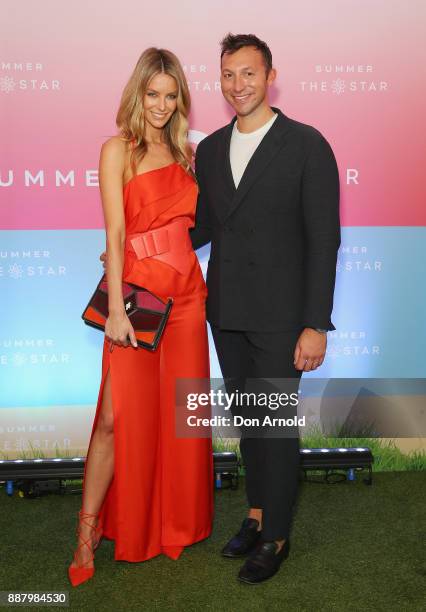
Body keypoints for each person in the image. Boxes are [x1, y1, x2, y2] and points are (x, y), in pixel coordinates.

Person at [189, 33, 340, 584]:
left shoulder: (305, 144)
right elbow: (202, 226)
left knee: (274, 427)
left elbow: (325, 240)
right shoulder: (208, 149)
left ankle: (276, 535)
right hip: (227, 312)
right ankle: (255, 515)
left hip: (283, 317)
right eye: (229, 75)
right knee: (250, 423)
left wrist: (315, 324)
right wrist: (143, 243)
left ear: (269, 74)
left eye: (248, 73)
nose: (238, 86)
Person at [69, 47, 213, 587]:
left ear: (180, 101)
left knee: (180, 419)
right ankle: (86, 537)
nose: (161, 104)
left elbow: (193, 226)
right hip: (136, 301)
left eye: (170, 95)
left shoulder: (185, 154)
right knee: (114, 416)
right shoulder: (117, 150)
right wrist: (114, 309)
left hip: (187, 301)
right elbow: (115, 232)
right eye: (152, 94)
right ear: (138, 94)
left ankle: (174, 526)